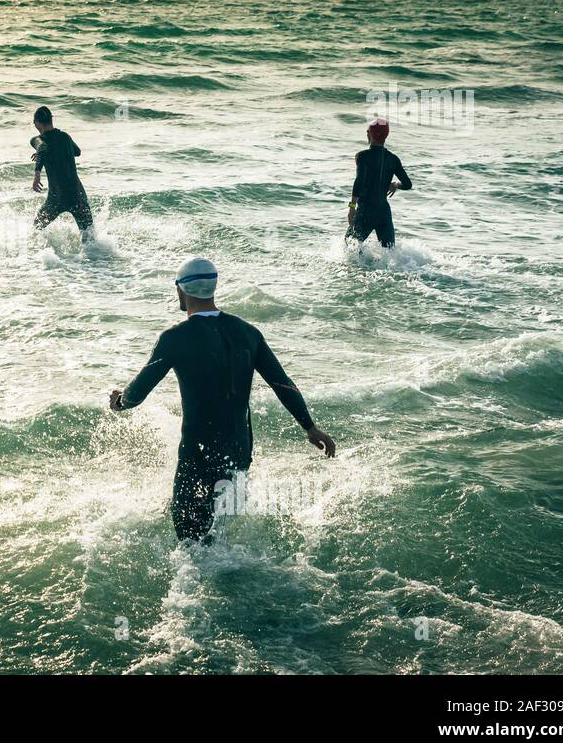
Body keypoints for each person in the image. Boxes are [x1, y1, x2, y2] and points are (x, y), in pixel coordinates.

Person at [108, 257, 336, 543]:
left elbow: (137, 394)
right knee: (222, 529)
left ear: (181, 290)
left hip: (198, 452)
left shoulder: (174, 338)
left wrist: (120, 402)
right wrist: (310, 427)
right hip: (239, 450)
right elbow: (282, 384)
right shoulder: (248, 333)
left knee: (190, 538)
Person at [346, 117, 412, 248]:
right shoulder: (393, 159)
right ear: (386, 136)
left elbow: (359, 181)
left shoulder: (362, 156)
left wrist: (352, 207)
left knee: (350, 244)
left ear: (369, 134)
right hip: (383, 212)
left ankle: (362, 267)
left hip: (366, 210)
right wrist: (396, 185)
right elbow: (407, 184)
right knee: (389, 252)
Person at [29, 106, 93, 239]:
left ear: (37, 123)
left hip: (57, 198)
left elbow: (42, 148)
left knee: (36, 229)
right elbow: (77, 152)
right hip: (77, 195)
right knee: (89, 237)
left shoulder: (37, 140)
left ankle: (36, 257)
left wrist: (36, 174)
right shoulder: (65, 137)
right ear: (51, 121)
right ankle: (97, 260)